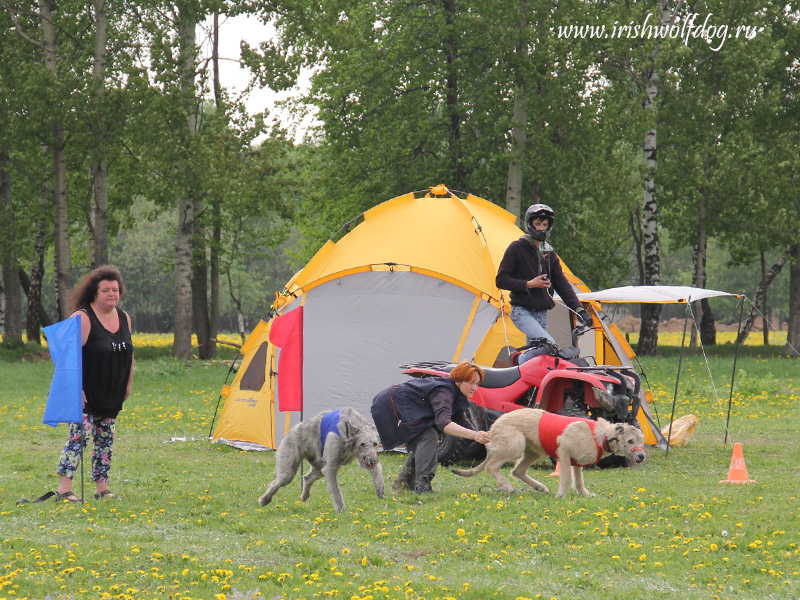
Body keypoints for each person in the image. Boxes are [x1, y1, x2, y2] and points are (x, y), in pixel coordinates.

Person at [54, 266, 134, 502]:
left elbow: (129, 353)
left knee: (105, 442)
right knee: (79, 439)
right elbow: (66, 356)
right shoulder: (83, 317)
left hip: (111, 392)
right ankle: (63, 490)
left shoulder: (124, 317)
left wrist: (127, 384)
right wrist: (74, 389)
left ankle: (102, 489)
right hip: (86, 394)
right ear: (94, 293)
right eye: (106, 290)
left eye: (115, 290)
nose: (112, 294)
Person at [370, 362, 491, 494]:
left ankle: (404, 482)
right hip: (390, 404)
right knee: (428, 436)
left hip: (402, 404)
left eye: (477, 384)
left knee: (425, 437)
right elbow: (444, 424)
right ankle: (422, 486)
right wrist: (474, 435)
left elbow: (461, 421)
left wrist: (479, 434)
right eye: (471, 383)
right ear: (458, 381)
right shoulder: (443, 391)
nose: (475, 388)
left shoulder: (456, 392)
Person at [496, 203, 592, 346]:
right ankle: (518, 359)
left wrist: (580, 311)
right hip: (521, 311)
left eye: (545, 224)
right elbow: (501, 280)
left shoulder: (550, 254)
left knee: (537, 356)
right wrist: (529, 284)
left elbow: (562, 285)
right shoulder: (516, 248)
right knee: (549, 345)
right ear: (530, 224)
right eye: (538, 224)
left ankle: (519, 364)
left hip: (542, 313)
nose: (541, 228)